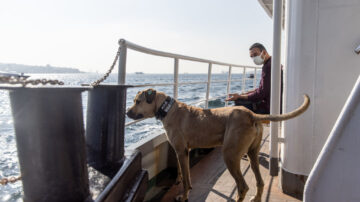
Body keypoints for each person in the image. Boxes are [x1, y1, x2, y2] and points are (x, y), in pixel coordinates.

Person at [226, 43, 282, 114]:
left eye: (255, 55)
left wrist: (240, 96)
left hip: (269, 108)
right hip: (274, 102)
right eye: (252, 57)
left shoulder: (268, 67)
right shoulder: (272, 62)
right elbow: (264, 88)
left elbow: (261, 94)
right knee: (242, 98)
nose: (254, 58)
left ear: (264, 52)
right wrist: (247, 93)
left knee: (238, 101)